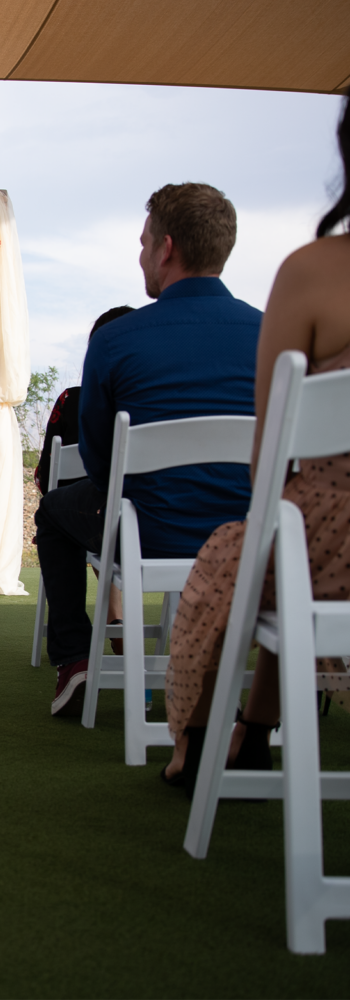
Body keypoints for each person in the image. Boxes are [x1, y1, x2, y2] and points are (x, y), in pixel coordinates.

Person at [164, 94, 350, 791]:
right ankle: (254, 729)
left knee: (256, 548)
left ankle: (205, 739)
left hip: (329, 546)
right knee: (280, 540)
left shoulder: (313, 272)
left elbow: (270, 463)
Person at [35, 183, 261, 717]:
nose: (141, 256)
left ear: (166, 248)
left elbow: (98, 457)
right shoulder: (270, 329)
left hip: (149, 533)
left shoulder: (116, 340)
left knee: (52, 513)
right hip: (251, 536)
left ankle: (75, 660)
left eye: (142, 243)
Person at [33, 306, 133, 656]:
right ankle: (117, 620)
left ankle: (75, 657)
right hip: (175, 520)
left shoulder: (74, 400)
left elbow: (46, 476)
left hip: (96, 521)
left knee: (59, 513)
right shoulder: (156, 396)